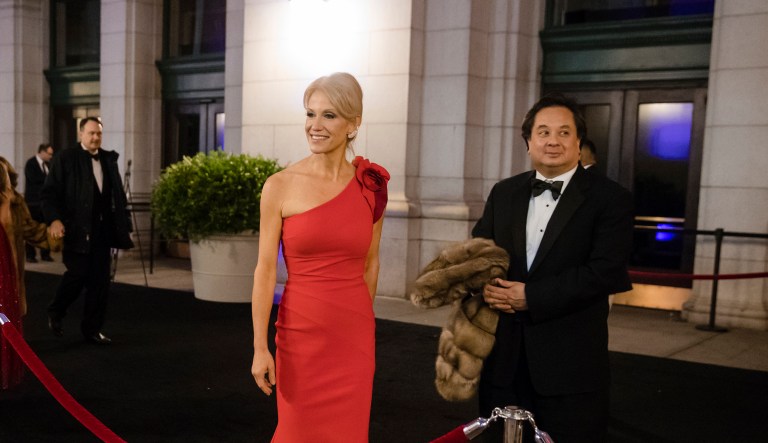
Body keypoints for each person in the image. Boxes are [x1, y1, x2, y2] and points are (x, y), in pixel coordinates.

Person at [471, 93, 633, 442]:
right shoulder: (504, 192)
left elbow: (605, 271)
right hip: (504, 360)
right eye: (543, 132)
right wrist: (485, 285)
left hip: (569, 366)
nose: (552, 141)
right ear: (528, 141)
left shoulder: (610, 198)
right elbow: (480, 252)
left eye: (564, 132)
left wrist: (532, 296)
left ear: (578, 142)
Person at [250, 72, 389, 442]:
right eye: (310, 114)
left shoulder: (370, 185)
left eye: (329, 115)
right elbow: (265, 271)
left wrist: (359, 319)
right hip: (301, 337)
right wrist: (259, 347)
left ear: (353, 123)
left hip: (353, 339)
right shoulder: (279, 185)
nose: (315, 125)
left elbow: (370, 263)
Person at [41, 117, 134, 345]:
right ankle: (56, 310)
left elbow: (116, 196)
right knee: (77, 275)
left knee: (100, 283)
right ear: (81, 134)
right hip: (77, 231)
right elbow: (49, 194)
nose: (95, 137)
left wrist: (123, 222)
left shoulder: (108, 160)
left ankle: (92, 330)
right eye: (91, 133)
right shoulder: (66, 158)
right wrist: (54, 219)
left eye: (99, 134)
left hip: (103, 231)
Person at [0, 157, 57, 389]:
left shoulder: (15, 203)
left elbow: (32, 231)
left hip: (10, 276)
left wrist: (57, 235)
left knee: (7, 326)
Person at [24, 143, 55, 262]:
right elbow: (34, 180)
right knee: (32, 229)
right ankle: (30, 255)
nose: (51, 156)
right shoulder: (31, 163)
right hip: (33, 203)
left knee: (45, 228)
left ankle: (45, 254)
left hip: (44, 203)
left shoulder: (48, 165)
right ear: (42, 152)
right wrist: (48, 182)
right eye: (49, 154)